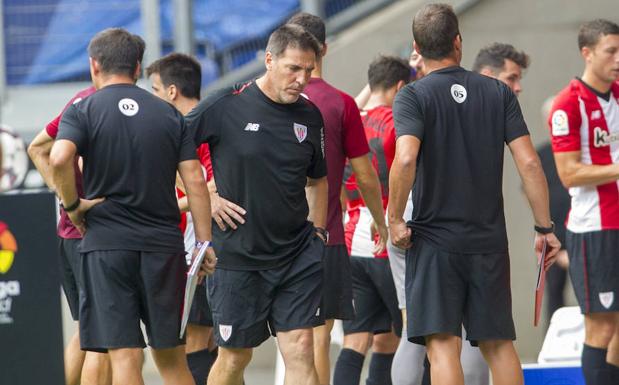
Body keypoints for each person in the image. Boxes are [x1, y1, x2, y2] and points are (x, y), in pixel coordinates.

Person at [388, 4, 560, 385]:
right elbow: (530, 163)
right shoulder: (498, 93)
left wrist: (395, 219)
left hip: (433, 242)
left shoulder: (412, 96)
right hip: (488, 241)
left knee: (443, 344)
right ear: (458, 42)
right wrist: (544, 227)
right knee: (499, 345)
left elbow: (404, 160)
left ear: (416, 47)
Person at [49, 28, 216, 385]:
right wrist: (204, 243)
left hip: (107, 247)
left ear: (94, 65)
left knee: (124, 355)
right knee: (173, 360)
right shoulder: (168, 114)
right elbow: (196, 181)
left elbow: (59, 157)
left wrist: (73, 205)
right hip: (163, 248)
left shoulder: (83, 108)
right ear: (138, 67)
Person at [185, 24, 328, 385]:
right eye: (293, 68)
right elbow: (172, 149)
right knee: (234, 359)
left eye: (308, 70)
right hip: (237, 259)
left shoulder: (310, 117)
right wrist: (208, 197)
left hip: (297, 256)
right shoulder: (225, 105)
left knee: (300, 346)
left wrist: (320, 232)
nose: (302, 78)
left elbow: (318, 180)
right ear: (268, 60)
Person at [286, 13, 388, 385]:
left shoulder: (260, 97)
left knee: (287, 340)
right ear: (324, 48)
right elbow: (364, 174)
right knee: (318, 337)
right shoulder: (341, 103)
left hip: (272, 240)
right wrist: (378, 217)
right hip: (325, 237)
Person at [146, 52, 237, 385]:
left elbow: (217, 190)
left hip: (201, 252)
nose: (153, 98)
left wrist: (187, 203)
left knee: (199, 344)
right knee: (223, 349)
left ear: (171, 92)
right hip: (211, 247)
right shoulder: (215, 122)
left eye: (155, 89)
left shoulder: (184, 130)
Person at [549, 19, 619, 385]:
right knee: (601, 328)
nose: (618, 59)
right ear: (587, 53)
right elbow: (570, 173)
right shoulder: (568, 104)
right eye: (611, 51)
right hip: (595, 229)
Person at [29, 85, 114, 385]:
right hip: (89, 235)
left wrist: (66, 199)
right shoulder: (96, 104)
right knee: (102, 337)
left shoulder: (80, 99)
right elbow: (64, 157)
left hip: (71, 237)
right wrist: (75, 204)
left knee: (88, 331)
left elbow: (37, 148)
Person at [332, 55, 409, 385]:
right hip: (387, 241)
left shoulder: (347, 122)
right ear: (401, 87)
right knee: (410, 334)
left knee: (363, 339)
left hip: (353, 242)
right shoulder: (398, 123)